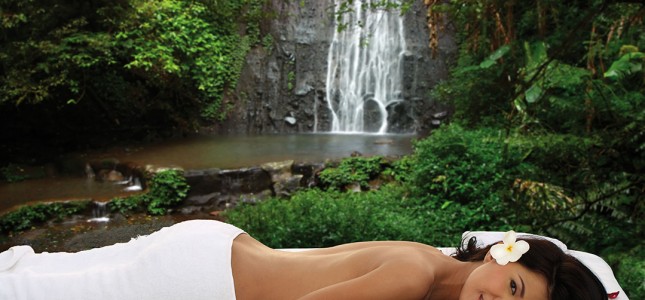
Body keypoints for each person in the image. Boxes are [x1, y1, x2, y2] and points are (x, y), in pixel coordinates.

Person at [0, 219, 608, 300]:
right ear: (509, 252)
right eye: (515, 291)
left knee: (39, 272)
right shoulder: (415, 272)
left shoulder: (439, 259)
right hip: (203, 277)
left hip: (217, 247)